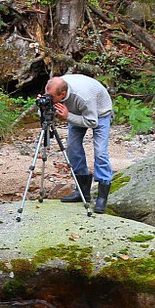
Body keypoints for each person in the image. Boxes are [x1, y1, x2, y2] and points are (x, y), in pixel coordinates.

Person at [44, 74, 114, 214]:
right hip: (76, 111)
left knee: (100, 152)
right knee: (72, 148)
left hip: (99, 113)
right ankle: (82, 191)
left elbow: (92, 122)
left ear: (62, 94)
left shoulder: (83, 97)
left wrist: (68, 117)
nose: (49, 99)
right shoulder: (55, 88)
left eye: (51, 97)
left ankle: (102, 197)